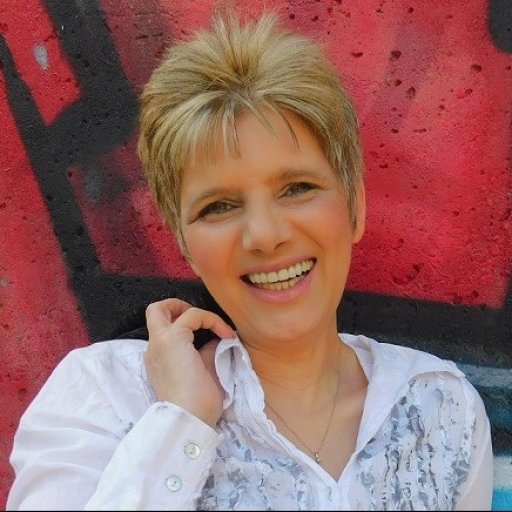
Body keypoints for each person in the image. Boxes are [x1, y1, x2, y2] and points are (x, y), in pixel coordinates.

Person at [7, 11, 493, 511]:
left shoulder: (441, 412)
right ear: (184, 242)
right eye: (219, 206)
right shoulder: (104, 396)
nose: (265, 235)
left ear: (354, 208)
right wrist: (180, 423)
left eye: (297, 188)